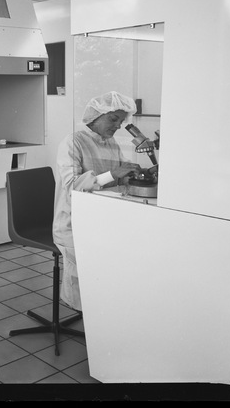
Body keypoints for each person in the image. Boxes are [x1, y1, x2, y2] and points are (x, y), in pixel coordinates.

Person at [53, 91, 142, 311]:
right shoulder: (73, 142)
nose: (118, 126)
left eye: (121, 121)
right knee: (87, 270)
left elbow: (117, 175)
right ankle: (86, 317)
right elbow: (73, 184)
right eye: (114, 119)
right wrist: (114, 174)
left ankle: (103, 317)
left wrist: (134, 173)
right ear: (96, 116)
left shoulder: (110, 144)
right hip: (73, 224)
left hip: (102, 218)